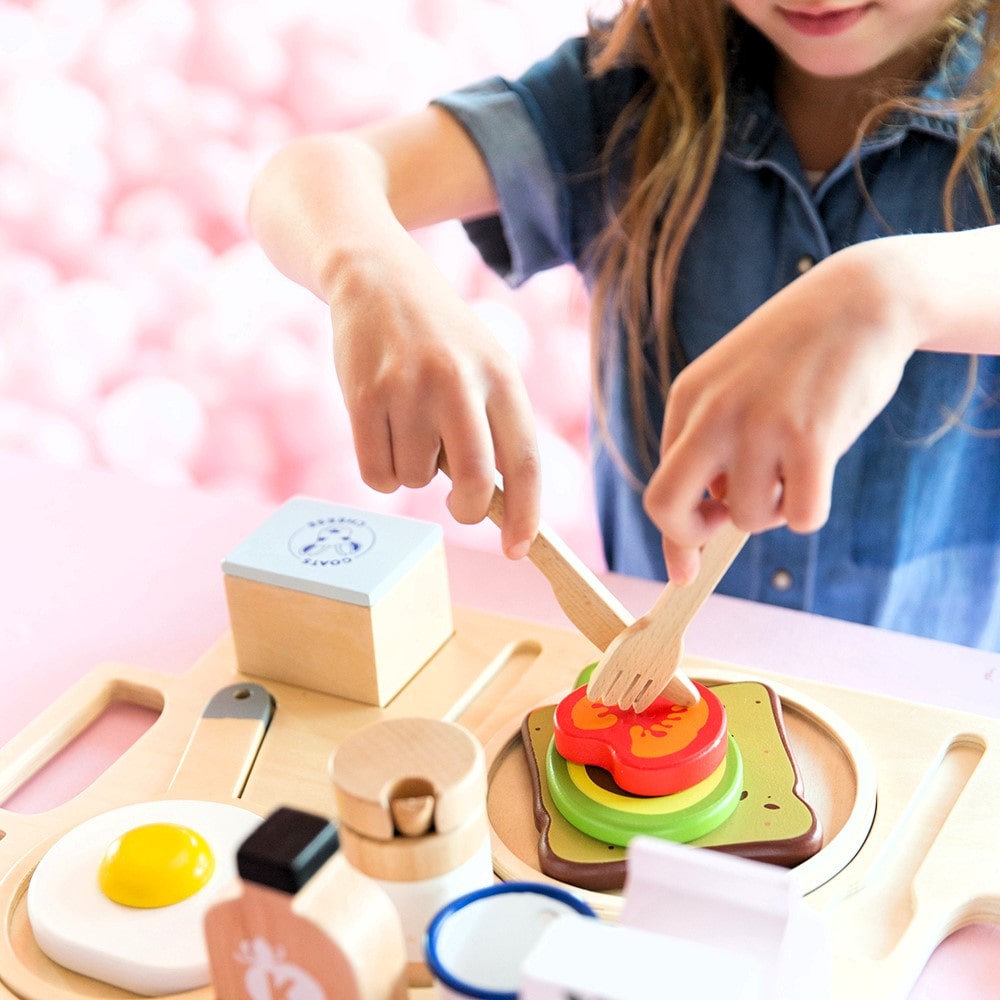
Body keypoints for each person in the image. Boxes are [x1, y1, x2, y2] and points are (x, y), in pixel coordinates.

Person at [249, 1, 1000, 652]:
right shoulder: (619, 100)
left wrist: (890, 292)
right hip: (659, 711)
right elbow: (309, 174)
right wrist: (366, 268)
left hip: (930, 707)